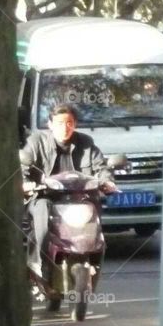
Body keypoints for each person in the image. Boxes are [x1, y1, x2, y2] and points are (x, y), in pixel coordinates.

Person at [20, 103, 116, 274]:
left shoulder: (86, 143)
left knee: (92, 206)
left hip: (77, 200)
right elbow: (23, 167)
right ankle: (40, 262)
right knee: (42, 206)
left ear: (75, 124)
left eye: (69, 123)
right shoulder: (36, 142)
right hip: (45, 198)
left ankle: (93, 259)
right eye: (59, 123)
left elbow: (101, 167)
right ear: (50, 124)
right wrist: (25, 183)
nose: (65, 128)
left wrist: (107, 181)